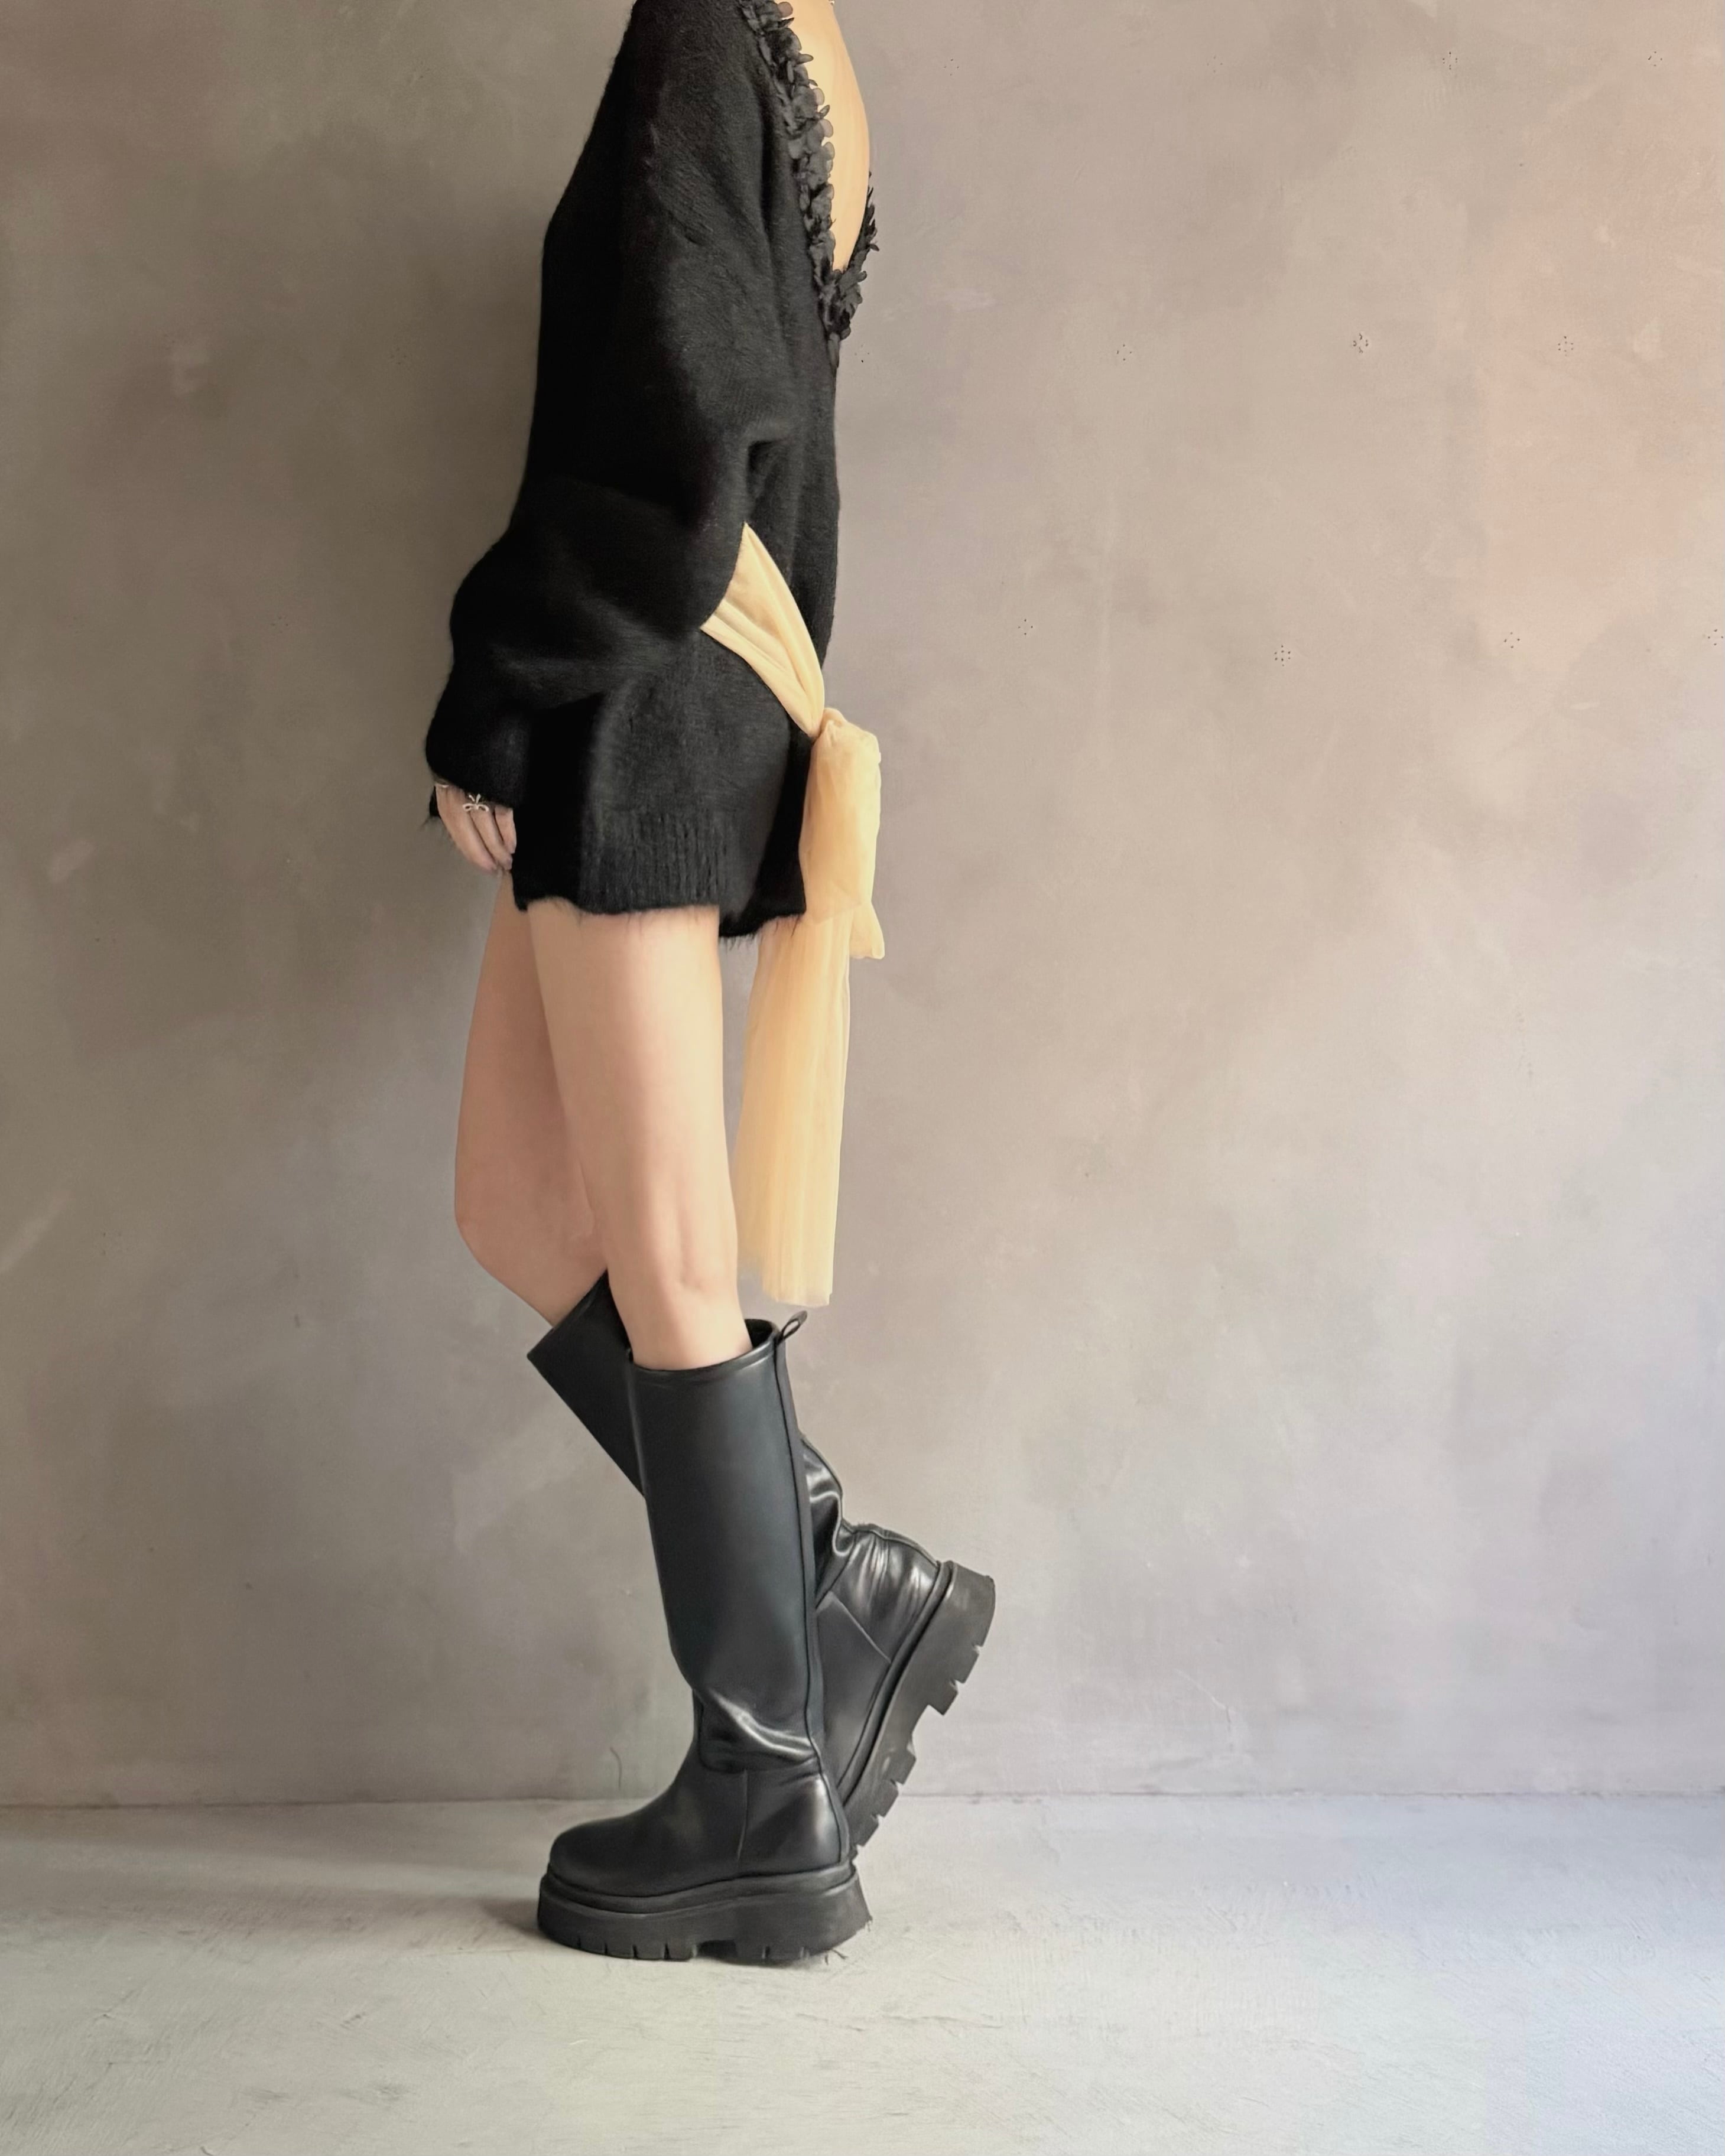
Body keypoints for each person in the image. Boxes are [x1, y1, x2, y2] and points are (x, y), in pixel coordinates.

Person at [424, 0, 993, 1962]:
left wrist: (499, 685)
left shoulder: (704, 29)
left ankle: (762, 1793)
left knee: (671, 1257)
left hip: (643, 692)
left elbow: (680, 416)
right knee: (520, 1199)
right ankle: (835, 1580)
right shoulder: (800, 44)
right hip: (693, 681)